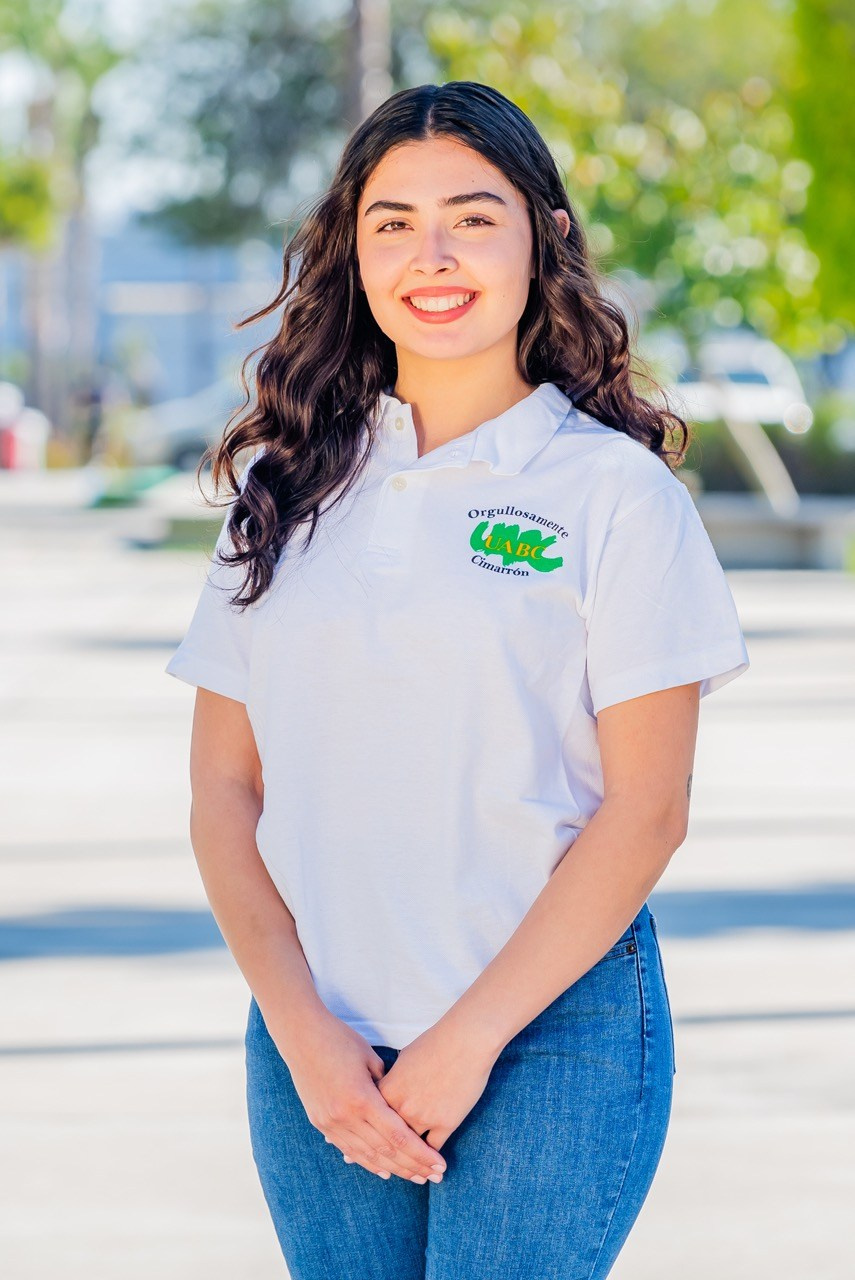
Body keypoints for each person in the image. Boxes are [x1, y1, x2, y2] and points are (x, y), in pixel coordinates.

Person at [164, 81, 750, 1279]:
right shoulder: (284, 491)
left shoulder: (614, 496)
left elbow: (649, 808)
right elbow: (224, 790)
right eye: (394, 223)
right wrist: (302, 1032)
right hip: (318, 1046)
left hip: (550, 1036)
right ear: (354, 251)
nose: (431, 256)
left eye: (473, 219)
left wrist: (467, 1038)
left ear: (544, 238)